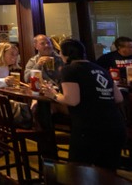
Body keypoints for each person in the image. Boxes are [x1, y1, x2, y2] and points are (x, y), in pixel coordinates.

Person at [42, 39, 125, 170]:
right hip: (116, 125)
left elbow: (72, 100)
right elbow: (118, 98)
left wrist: (53, 95)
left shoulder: (69, 70)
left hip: (89, 126)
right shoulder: (100, 69)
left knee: (78, 171)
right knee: (107, 173)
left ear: (65, 54)